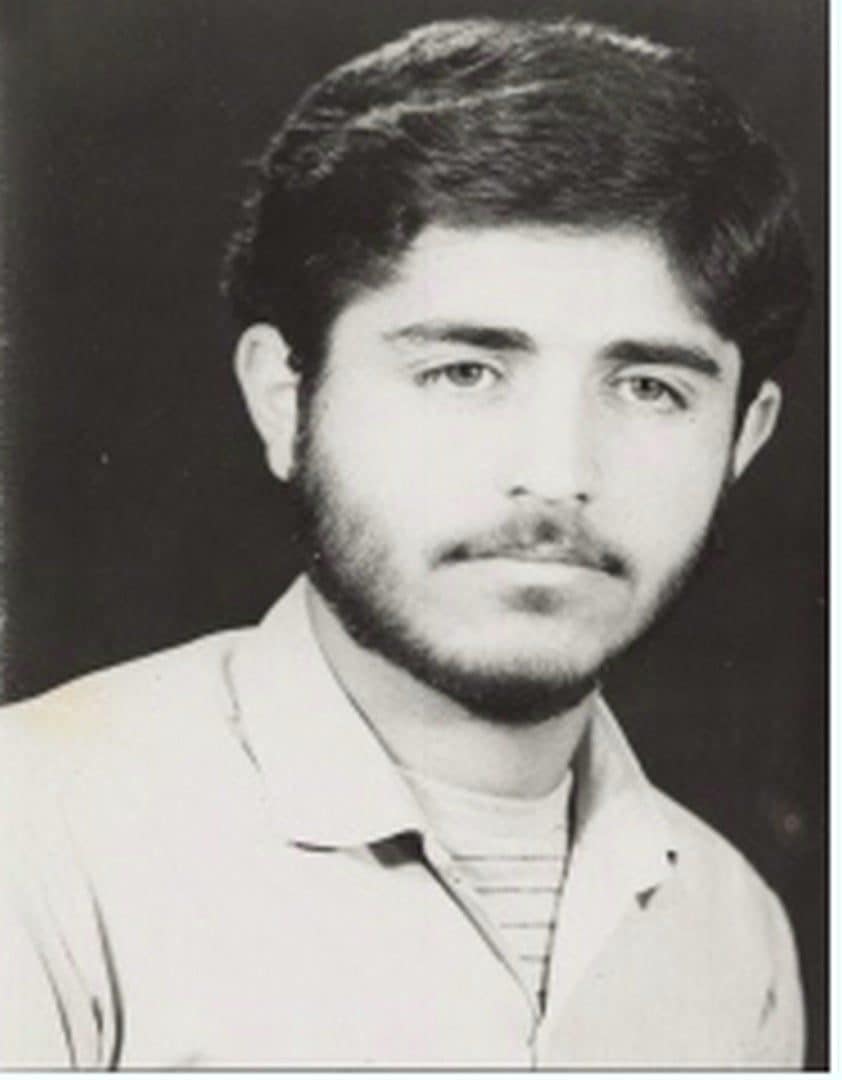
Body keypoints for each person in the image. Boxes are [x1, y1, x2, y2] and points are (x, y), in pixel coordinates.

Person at [0, 13, 813, 1068]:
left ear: (743, 437)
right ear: (285, 397)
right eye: (463, 372)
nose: (558, 471)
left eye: (650, 387)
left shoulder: (734, 932)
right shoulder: (38, 836)